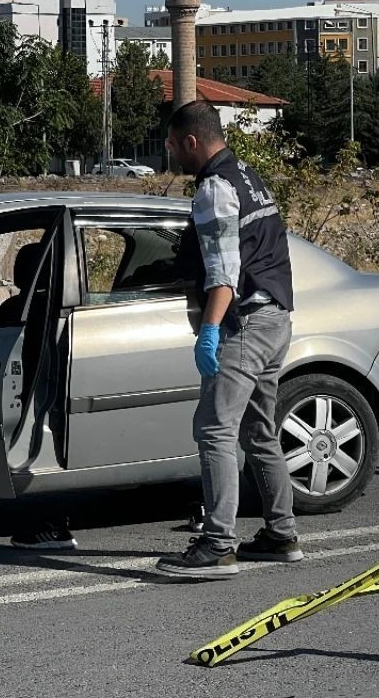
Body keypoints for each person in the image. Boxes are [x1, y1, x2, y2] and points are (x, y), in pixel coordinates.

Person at [155, 100, 300, 579]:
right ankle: (280, 534)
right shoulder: (247, 175)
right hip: (276, 317)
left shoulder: (215, 189)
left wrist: (212, 329)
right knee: (259, 429)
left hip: (244, 322)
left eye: (174, 145)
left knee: (215, 429)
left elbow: (223, 272)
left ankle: (218, 544)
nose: (173, 154)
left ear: (192, 142)